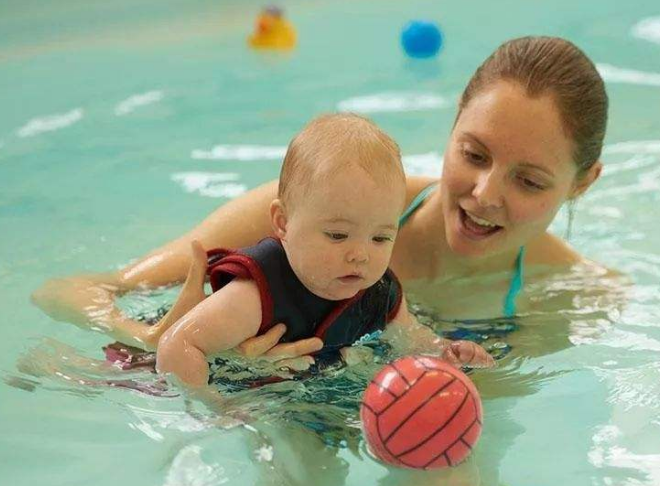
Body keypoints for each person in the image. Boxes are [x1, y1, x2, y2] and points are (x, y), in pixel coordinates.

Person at [32, 35, 611, 367]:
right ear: (452, 122)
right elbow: (68, 291)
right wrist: (152, 338)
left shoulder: (564, 300)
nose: (484, 195)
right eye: (474, 154)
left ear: (582, 182)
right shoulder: (306, 214)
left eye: (529, 181)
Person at [152, 113, 493, 385]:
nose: (360, 254)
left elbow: (411, 337)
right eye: (337, 235)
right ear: (283, 223)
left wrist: (448, 352)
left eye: (380, 238)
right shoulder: (255, 296)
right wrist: (213, 409)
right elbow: (177, 346)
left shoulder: (378, 292)